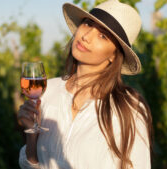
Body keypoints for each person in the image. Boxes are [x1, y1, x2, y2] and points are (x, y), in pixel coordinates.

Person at [17, 0, 153, 168]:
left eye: (103, 36)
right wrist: (32, 137)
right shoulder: (47, 91)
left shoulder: (128, 109)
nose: (86, 36)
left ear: (114, 55)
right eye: (88, 24)